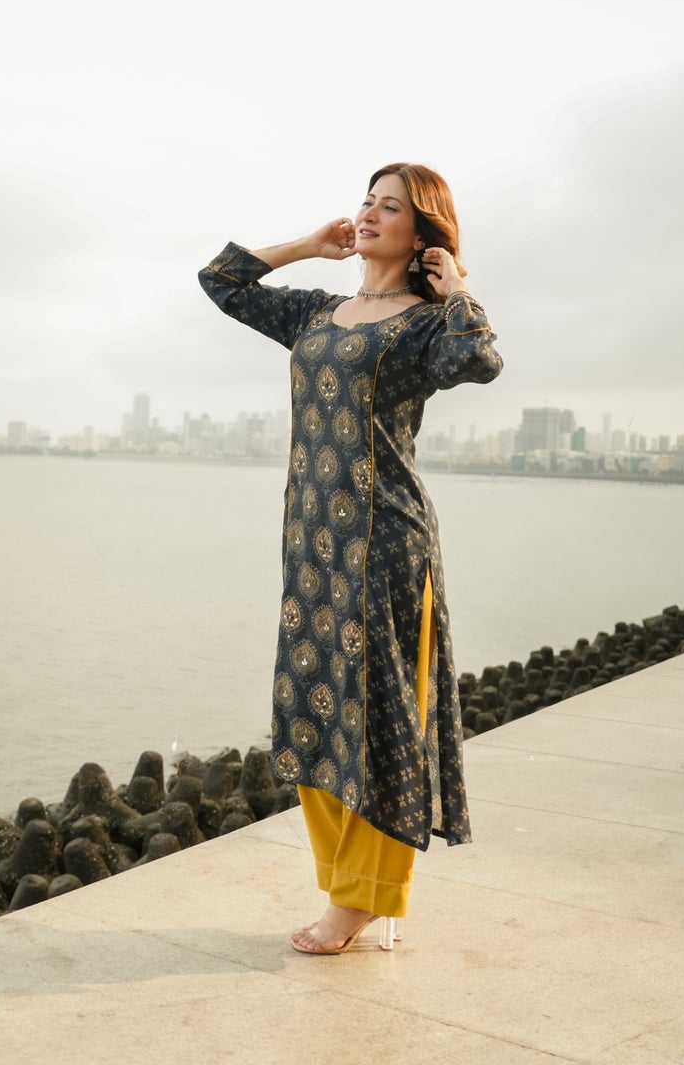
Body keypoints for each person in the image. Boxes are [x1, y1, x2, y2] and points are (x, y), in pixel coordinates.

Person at [197, 162, 503, 954]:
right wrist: (309, 245)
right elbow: (221, 280)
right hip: (311, 545)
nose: (368, 213)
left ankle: (364, 898)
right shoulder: (316, 313)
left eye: (389, 207)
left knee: (379, 720)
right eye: (366, 200)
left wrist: (456, 285)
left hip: (384, 540)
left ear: (423, 231)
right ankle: (343, 883)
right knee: (314, 712)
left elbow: (479, 359)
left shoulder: (426, 325)